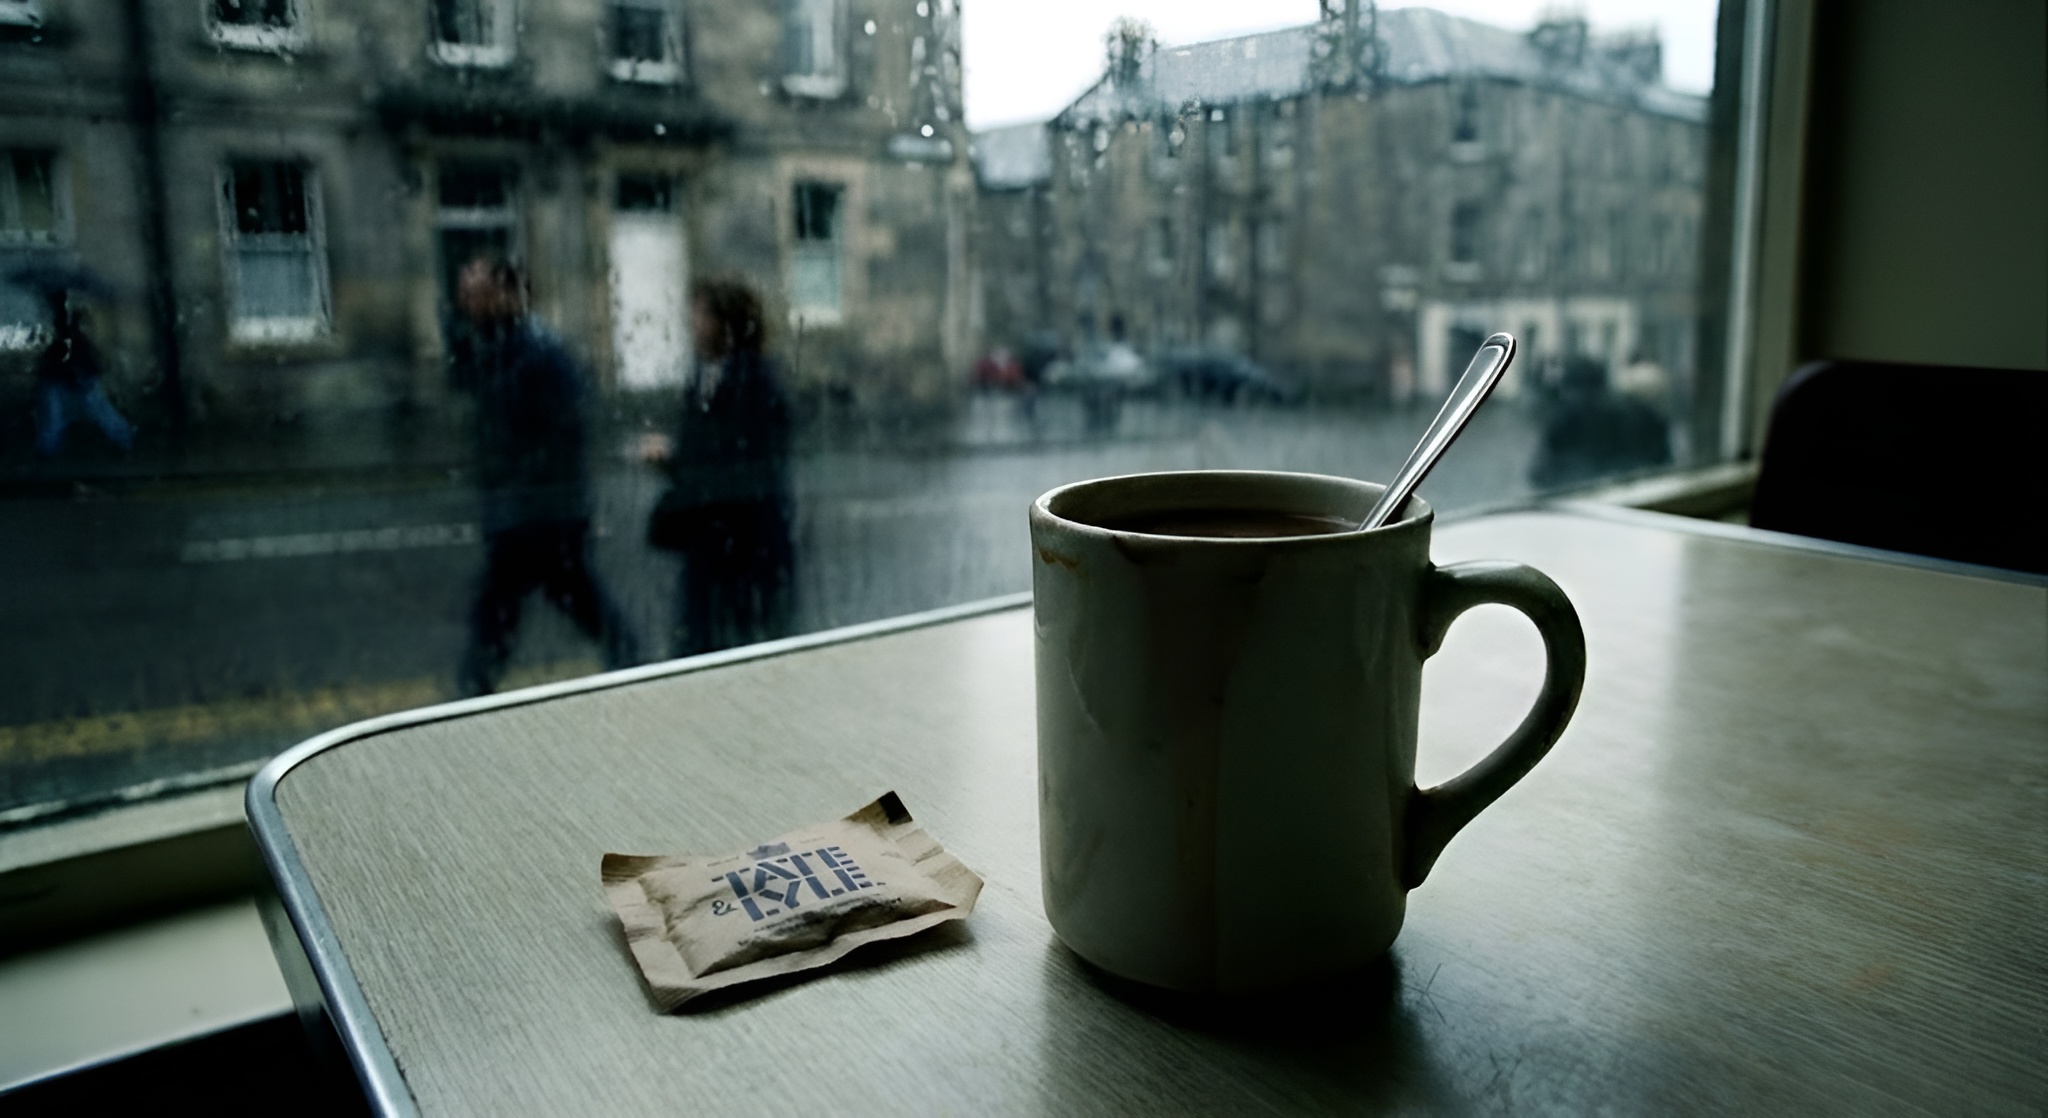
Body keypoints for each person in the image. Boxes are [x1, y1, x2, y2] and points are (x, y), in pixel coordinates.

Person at [451, 255, 636, 696]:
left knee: (505, 609)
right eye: (465, 294)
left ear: (507, 295)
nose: (466, 304)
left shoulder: (539, 353)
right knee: (551, 602)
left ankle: (473, 693)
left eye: (476, 294)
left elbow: (565, 431)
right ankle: (629, 660)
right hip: (524, 513)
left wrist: (537, 489)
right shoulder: (495, 347)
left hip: (541, 515)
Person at [642, 277, 795, 658]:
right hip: (711, 540)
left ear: (724, 323)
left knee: (737, 644)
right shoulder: (704, 376)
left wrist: (679, 460)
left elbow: (741, 462)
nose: (692, 324)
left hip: (744, 543)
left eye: (700, 315)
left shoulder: (756, 380)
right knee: (697, 643)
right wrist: (672, 458)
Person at [34, 291, 134, 457]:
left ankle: (49, 449)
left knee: (60, 415)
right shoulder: (66, 328)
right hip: (72, 376)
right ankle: (123, 439)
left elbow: (73, 354)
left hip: (73, 376)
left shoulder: (67, 328)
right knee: (92, 410)